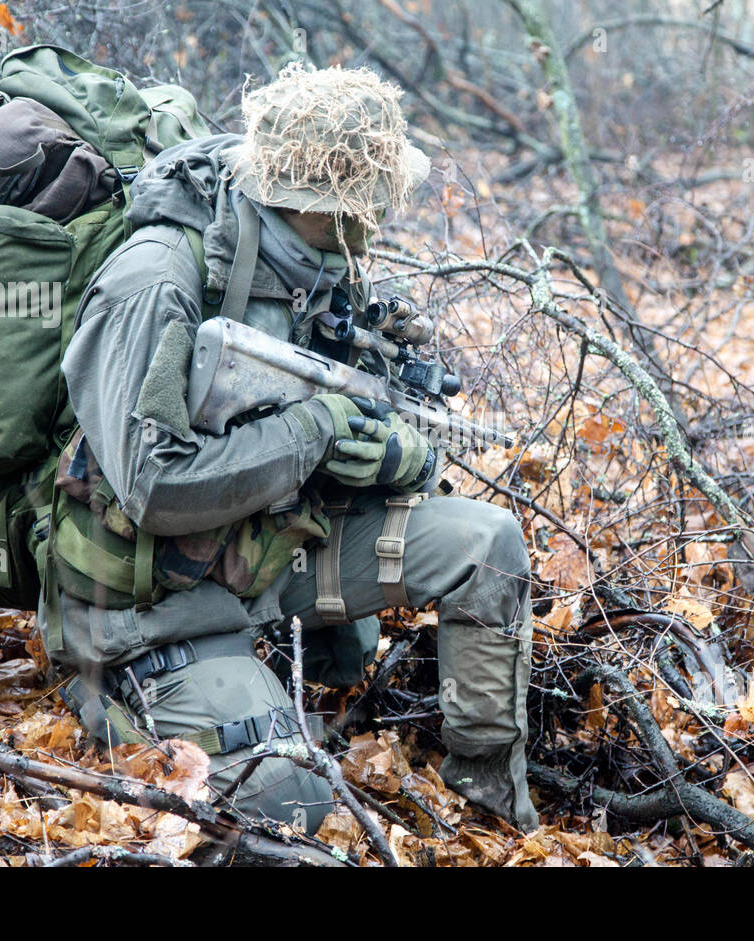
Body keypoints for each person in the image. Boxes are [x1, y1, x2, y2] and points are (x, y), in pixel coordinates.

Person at [41, 62, 539, 835]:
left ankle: (494, 813)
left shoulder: (315, 266)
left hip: (266, 561)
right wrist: (317, 434)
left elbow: (354, 406)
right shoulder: (158, 282)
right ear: (322, 204)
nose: (377, 224)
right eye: (365, 207)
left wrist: (399, 454)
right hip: (147, 607)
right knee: (288, 801)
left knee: (488, 545)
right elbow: (150, 486)